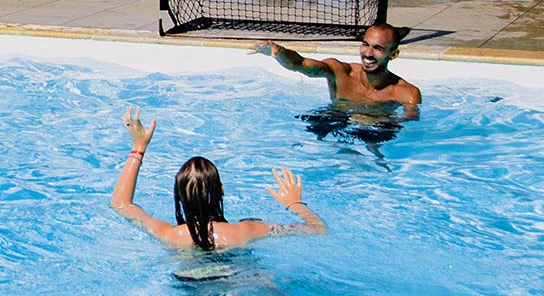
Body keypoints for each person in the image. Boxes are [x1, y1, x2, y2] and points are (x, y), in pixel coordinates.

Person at [111, 106, 326, 250]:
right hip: (238, 279)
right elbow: (318, 229)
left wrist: (138, 148)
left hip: (191, 284)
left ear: (178, 197)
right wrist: (295, 203)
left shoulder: (170, 235)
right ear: (221, 190)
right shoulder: (248, 230)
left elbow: (120, 204)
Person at [252, 23, 422, 117]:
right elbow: (300, 64)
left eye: (377, 48)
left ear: (393, 54)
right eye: (365, 44)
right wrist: (277, 51)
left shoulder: (407, 93)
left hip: (375, 131)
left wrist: (375, 121)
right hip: (334, 120)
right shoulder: (339, 72)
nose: (368, 53)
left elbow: (408, 128)